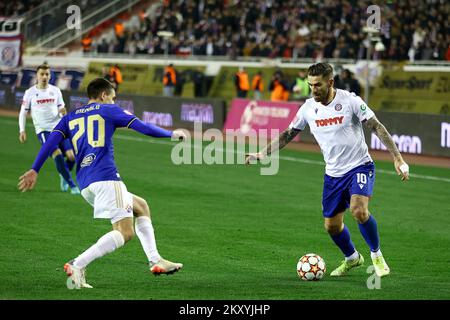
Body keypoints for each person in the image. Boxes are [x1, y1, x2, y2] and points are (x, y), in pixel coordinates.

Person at [246, 62, 410, 278]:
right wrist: (263, 153)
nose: (313, 89)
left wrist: (397, 158)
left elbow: (377, 126)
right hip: (333, 174)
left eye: (318, 85)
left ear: (331, 82)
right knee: (332, 227)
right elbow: (288, 133)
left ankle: (376, 255)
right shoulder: (307, 108)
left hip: (359, 165)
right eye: (310, 85)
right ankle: (352, 258)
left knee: (359, 210)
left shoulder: (350, 101)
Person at [18, 78, 186, 288]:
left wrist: (35, 169)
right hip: (105, 178)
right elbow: (142, 127)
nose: (114, 101)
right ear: (104, 95)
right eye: (113, 97)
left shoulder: (69, 117)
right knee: (125, 232)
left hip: (85, 184)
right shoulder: (108, 110)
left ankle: (155, 260)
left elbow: (51, 142)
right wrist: (171, 134)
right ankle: (77, 263)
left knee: (140, 206)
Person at [19, 63, 79, 194]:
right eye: (42, 74)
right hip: (44, 131)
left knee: (71, 157)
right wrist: (22, 130)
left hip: (59, 128)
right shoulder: (30, 93)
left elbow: (61, 109)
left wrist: (63, 112)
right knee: (57, 154)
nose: (44, 76)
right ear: (37, 75)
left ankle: (63, 174)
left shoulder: (55, 90)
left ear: (50, 76)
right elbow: (23, 113)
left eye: (47, 74)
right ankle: (72, 185)